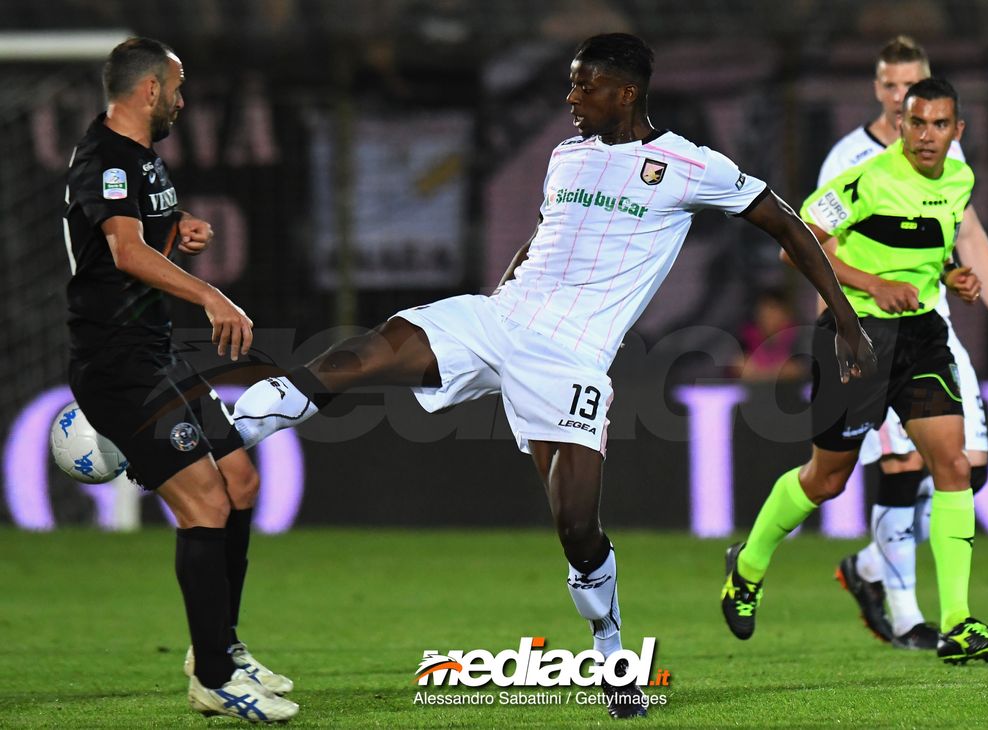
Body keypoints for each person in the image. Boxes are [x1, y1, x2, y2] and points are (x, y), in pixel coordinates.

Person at [230, 33, 874, 719]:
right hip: (500, 320)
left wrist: (845, 318)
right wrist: (503, 297)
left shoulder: (689, 165)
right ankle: (213, 433)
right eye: (570, 84)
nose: (570, 98)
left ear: (623, 92)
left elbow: (788, 225)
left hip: (573, 357)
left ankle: (609, 647)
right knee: (364, 353)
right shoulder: (567, 156)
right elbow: (543, 235)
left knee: (576, 528)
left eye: (584, 85)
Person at [722, 78, 988, 665]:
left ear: (959, 130)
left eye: (939, 125)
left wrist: (953, 276)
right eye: (917, 123)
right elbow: (796, 245)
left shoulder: (960, 181)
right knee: (827, 480)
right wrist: (876, 285)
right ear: (900, 124)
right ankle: (747, 566)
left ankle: (958, 620)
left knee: (953, 464)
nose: (927, 136)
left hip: (923, 337)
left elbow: (934, 246)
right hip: (857, 338)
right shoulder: (867, 179)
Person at [64, 38, 297, 722]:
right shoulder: (104, 160)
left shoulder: (139, 158)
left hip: (154, 352)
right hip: (118, 366)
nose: (182, 100)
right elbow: (123, 251)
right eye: (177, 88)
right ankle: (215, 679)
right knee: (205, 507)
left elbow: (143, 240)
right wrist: (212, 296)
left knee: (242, 482)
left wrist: (179, 228)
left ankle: (217, 645)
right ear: (148, 93)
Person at [818, 36, 988, 650]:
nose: (898, 99)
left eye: (909, 87)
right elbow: (816, 246)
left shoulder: (947, 152)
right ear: (880, 90)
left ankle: (866, 567)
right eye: (889, 87)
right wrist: (839, 333)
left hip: (930, 326)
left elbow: (969, 238)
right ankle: (910, 613)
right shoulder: (850, 159)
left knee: (969, 471)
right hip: (869, 329)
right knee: (902, 462)